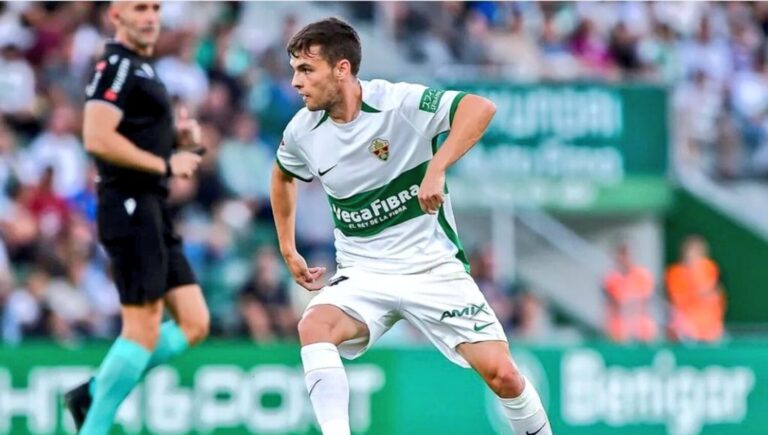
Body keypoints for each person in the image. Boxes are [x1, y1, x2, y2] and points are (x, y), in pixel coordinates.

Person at [271, 17, 553, 435]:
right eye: (295, 69)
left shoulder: (397, 103)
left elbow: (480, 108)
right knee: (314, 325)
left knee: (504, 375)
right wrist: (287, 247)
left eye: (306, 69)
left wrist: (437, 168)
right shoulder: (302, 131)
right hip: (364, 272)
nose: (296, 81)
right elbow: (282, 176)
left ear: (342, 69)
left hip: (432, 268)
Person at [63, 2, 210, 433]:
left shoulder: (145, 68)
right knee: (141, 330)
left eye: (155, 7)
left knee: (195, 322)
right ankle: (94, 424)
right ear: (115, 15)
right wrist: (165, 163)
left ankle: (94, 390)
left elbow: (135, 134)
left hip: (152, 207)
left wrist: (179, 142)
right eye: (139, 7)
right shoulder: (117, 66)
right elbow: (97, 136)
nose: (150, 16)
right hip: (128, 205)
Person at [666, 235, 725, 342]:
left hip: (710, 329)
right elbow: (678, 299)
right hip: (686, 328)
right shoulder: (675, 272)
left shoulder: (708, 267)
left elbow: (711, 294)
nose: (692, 255)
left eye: (697, 252)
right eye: (690, 251)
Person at [602, 241, 658, 342]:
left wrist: (629, 305)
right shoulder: (610, 279)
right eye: (621, 255)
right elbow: (612, 305)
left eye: (626, 255)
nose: (624, 259)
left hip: (641, 330)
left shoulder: (643, 275)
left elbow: (644, 302)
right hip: (618, 330)